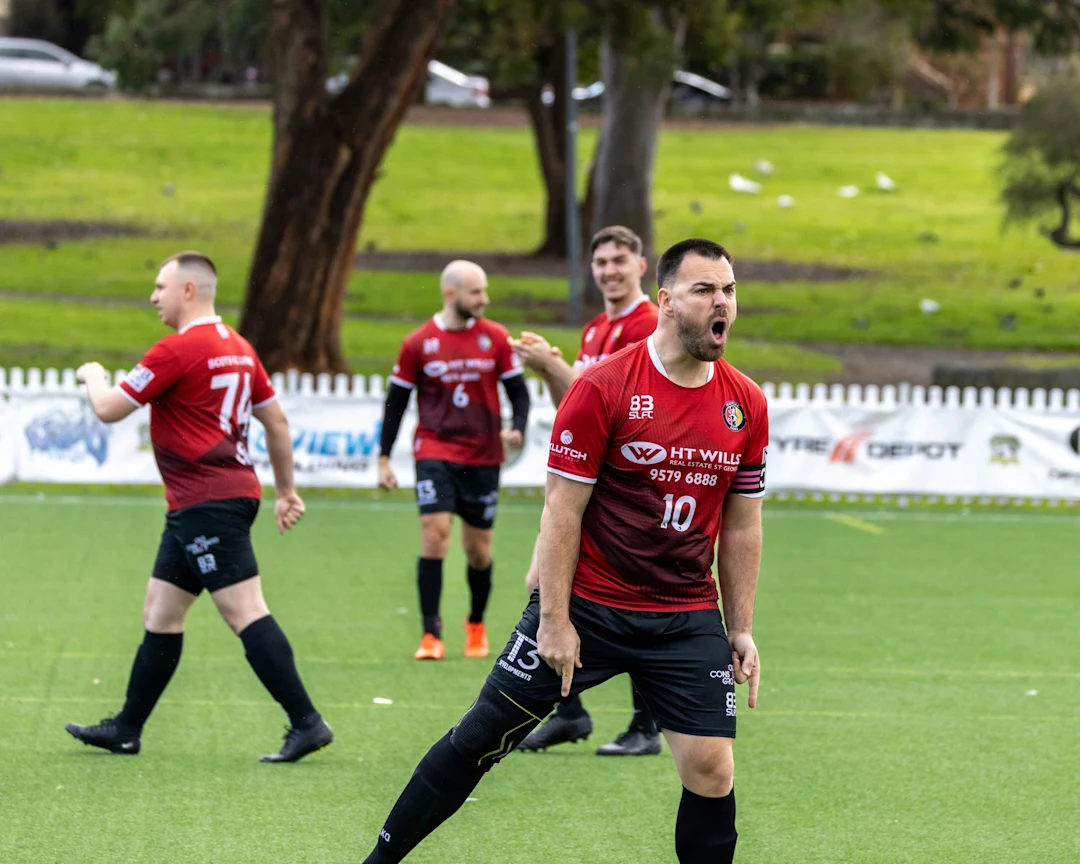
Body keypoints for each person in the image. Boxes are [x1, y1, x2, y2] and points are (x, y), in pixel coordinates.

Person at [360, 238, 767, 864]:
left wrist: (739, 627)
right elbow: (561, 509)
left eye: (729, 291)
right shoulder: (604, 386)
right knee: (481, 736)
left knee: (713, 769)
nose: (723, 304)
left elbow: (741, 526)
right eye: (704, 290)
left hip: (685, 617)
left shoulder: (746, 404)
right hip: (591, 606)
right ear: (666, 302)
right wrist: (554, 619)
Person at [64, 251, 332, 763]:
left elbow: (107, 409)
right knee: (162, 612)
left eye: (160, 286)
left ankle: (307, 722)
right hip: (210, 499)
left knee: (245, 611)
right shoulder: (238, 347)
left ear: (188, 290)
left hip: (207, 503)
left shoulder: (176, 350)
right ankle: (126, 728)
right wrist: (286, 491)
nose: (153, 296)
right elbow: (276, 423)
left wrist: (92, 375)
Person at [509, 225, 662, 756]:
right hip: (590, 481)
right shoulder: (597, 328)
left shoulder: (650, 323)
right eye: (600, 262)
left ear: (642, 266)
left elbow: (621, 397)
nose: (609, 270)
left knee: (641, 592)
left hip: (630, 485)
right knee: (543, 582)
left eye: (620, 260)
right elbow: (575, 404)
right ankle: (571, 711)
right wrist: (552, 370)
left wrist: (554, 366)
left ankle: (645, 725)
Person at [378, 260, 530, 661]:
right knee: (434, 534)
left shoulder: (495, 338)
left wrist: (518, 427)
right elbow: (395, 405)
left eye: (484, 291)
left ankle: (475, 623)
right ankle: (431, 633)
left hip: (483, 457)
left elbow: (519, 393)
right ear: (451, 294)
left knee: (479, 550)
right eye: (476, 292)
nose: (485, 299)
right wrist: (383, 458)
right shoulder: (418, 343)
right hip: (435, 452)